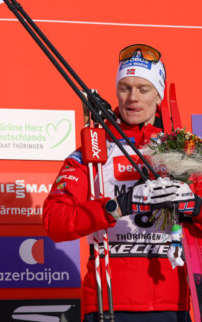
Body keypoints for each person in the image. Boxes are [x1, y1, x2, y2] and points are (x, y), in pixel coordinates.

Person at [43, 44, 202, 322]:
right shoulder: (92, 151)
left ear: (159, 94)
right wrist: (118, 206)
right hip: (109, 305)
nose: (132, 98)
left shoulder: (184, 149)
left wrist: (195, 206)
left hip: (172, 305)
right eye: (125, 88)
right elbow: (54, 221)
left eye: (143, 89)